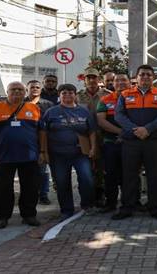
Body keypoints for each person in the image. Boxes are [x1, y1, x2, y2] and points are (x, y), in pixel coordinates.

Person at [112, 65, 157, 220]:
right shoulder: (125, 94)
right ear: (136, 77)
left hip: (154, 141)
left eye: (149, 75)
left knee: (155, 175)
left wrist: (148, 129)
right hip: (131, 141)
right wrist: (135, 130)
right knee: (129, 175)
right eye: (142, 75)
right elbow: (119, 115)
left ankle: (155, 208)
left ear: (153, 78)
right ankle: (127, 207)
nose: (145, 77)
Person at [0, 82, 42, 229]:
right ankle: (2, 217)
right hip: (3, 156)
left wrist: (43, 152)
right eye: (13, 89)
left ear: (25, 92)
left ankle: (29, 215)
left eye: (20, 89)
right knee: (1, 188)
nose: (16, 92)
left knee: (30, 187)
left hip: (29, 156)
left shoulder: (34, 108)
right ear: (7, 91)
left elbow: (41, 132)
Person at [40, 84, 96, 220]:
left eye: (71, 93)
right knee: (62, 182)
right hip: (58, 154)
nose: (67, 96)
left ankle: (87, 205)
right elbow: (43, 132)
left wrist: (93, 148)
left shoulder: (84, 111)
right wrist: (44, 151)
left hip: (80, 153)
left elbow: (92, 131)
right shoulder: (51, 112)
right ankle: (66, 209)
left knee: (87, 179)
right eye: (64, 93)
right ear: (59, 95)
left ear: (75, 95)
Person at [96, 73, 131, 213]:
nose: (120, 83)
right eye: (117, 80)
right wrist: (120, 133)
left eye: (124, 80)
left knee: (129, 174)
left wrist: (127, 135)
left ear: (129, 82)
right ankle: (110, 203)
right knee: (110, 174)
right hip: (111, 143)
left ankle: (131, 202)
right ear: (112, 83)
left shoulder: (136, 98)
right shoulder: (105, 100)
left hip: (130, 143)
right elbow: (101, 121)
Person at [76, 67, 107, 207]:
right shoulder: (77, 96)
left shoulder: (106, 95)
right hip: (84, 138)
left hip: (102, 135)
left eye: (94, 77)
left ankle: (100, 196)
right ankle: (86, 197)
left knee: (100, 168)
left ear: (99, 79)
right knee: (85, 169)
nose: (91, 80)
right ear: (85, 80)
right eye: (88, 78)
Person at [26, 80, 54, 205]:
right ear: (27, 89)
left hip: (43, 141)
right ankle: (31, 193)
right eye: (32, 87)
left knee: (43, 170)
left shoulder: (48, 104)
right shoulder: (21, 103)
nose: (35, 89)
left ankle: (43, 194)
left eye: (37, 87)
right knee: (28, 170)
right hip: (26, 142)